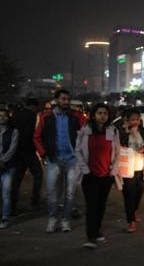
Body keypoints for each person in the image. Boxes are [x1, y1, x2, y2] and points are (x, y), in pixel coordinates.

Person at [34, 89, 85, 233]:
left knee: (70, 193)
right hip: (53, 159)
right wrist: (43, 154)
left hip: (72, 160)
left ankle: (65, 220)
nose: (66, 102)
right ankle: (52, 219)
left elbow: (85, 133)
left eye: (68, 99)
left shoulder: (75, 117)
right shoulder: (46, 117)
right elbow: (37, 137)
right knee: (51, 192)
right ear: (56, 100)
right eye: (63, 99)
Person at [75, 104, 120, 248]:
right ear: (93, 115)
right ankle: (91, 236)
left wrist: (113, 170)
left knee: (101, 204)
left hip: (106, 174)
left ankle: (97, 229)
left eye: (105, 113)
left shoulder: (112, 131)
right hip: (89, 174)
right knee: (92, 205)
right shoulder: (85, 130)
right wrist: (85, 170)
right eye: (99, 113)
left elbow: (117, 152)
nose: (102, 116)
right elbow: (78, 151)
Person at [119, 109, 144, 233]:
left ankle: (134, 210)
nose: (135, 122)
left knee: (139, 191)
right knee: (129, 194)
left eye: (137, 119)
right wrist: (125, 131)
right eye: (132, 119)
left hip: (140, 167)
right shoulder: (122, 132)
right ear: (127, 120)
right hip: (126, 168)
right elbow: (117, 145)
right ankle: (131, 221)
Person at [10, 99, 43, 214]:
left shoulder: (16, 115)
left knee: (17, 177)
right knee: (38, 174)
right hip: (29, 150)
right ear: (33, 106)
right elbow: (32, 133)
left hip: (17, 151)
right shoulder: (33, 116)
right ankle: (35, 200)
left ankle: (12, 203)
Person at [0, 108, 19, 229]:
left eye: (4, 116)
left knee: (6, 193)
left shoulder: (14, 131)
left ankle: (5, 217)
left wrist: (2, 161)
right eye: (0, 115)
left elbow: (13, 148)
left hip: (8, 166)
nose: (2, 117)